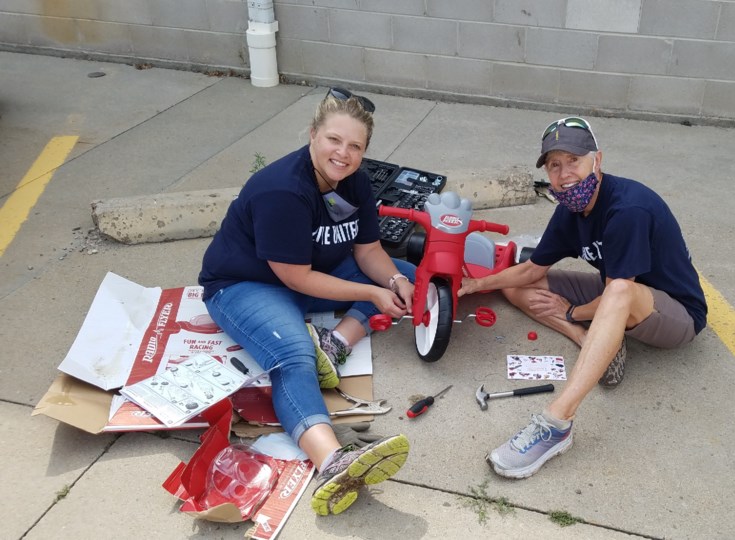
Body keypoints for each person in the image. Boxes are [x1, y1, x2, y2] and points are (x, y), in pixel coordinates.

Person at [198, 88, 416, 514]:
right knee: (293, 353)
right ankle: (332, 460)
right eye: (334, 140)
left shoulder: (355, 180)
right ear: (313, 134)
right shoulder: (281, 190)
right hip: (245, 285)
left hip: (312, 272)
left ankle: (335, 344)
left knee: (408, 276)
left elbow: (369, 250)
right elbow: (295, 277)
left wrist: (390, 279)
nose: (343, 153)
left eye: (355, 146)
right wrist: (373, 293)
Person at [458, 116, 707, 479]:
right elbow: (532, 271)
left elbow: (616, 291)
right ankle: (590, 340)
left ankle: (557, 423)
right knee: (513, 286)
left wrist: (572, 310)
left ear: (598, 160)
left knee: (619, 289)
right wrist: (481, 284)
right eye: (555, 165)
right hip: (618, 295)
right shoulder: (570, 211)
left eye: (573, 160)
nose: (564, 174)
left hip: (674, 314)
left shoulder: (628, 210)